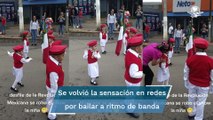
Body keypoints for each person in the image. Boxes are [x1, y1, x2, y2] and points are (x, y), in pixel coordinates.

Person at [184, 37, 213, 120]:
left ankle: (191, 114)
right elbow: (212, 76)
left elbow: (186, 73)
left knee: (191, 99)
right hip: (204, 85)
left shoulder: (190, 59)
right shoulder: (210, 61)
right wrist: (211, 88)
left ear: (195, 48)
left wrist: (186, 83)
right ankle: (198, 118)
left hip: (192, 83)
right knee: (201, 102)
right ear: (205, 49)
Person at [46, 45, 67, 120]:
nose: (64, 56)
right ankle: (51, 116)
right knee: (54, 101)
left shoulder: (51, 58)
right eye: (63, 55)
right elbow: (54, 84)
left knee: (49, 98)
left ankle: (48, 109)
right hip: (54, 87)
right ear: (56, 57)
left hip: (49, 84)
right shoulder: (53, 70)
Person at [124, 35, 143, 118]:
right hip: (133, 82)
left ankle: (127, 103)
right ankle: (130, 110)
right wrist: (142, 73)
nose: (142, 48)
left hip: (128, 78)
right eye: (141, 46)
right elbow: (133, 74)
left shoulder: (129, 52)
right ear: (137, 48)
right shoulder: (134, 60)